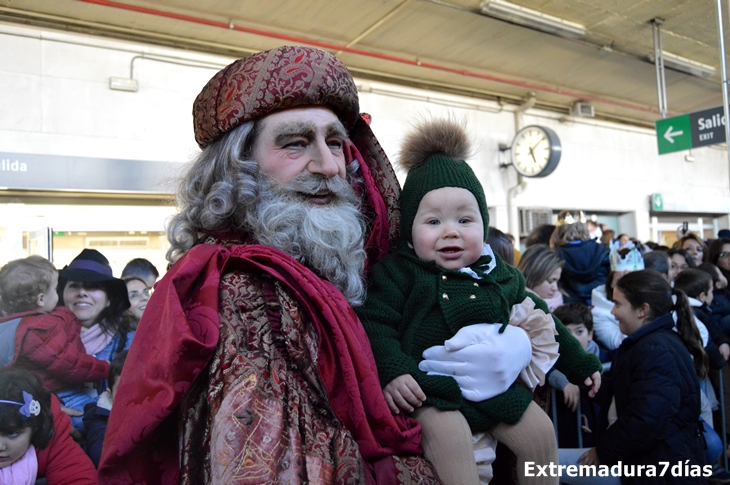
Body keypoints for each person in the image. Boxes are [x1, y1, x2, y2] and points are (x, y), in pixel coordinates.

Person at [97, 45, 492, 484]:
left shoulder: (321, 271)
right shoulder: (253, 294)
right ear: (238, 165)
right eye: (295, 143)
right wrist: (441, 467)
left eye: (335, 143)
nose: (327, 166)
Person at [358, 119, 602, 485]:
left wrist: (581, 363)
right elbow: (376, 323)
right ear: (410, 228)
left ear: (483, 224)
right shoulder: (399, 272)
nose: (451, 230)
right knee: (452, 440)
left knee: (540, 433)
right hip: (430, 391)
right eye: (433, 220)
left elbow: (542, 319)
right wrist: (395, 371)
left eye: (465, 219)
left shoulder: (499, 273)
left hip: (494, 393)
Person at [560, 270, 708, 484]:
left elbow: (645, 420)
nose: (613, 312)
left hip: (654, 469)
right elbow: (631, 395)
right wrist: (591, 384)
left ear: (642, 310)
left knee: (540, 466)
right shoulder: (650, 343)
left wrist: (602, 452)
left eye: (619, 304)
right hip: (649, 462)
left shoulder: (655, 350)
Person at [0, 256, 109, 394]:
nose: (82, 293)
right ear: (41, 299)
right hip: (57, 393)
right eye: (55, 289)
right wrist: (105, 368)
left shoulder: (8, 326)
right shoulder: (39, 329)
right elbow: (70, 364)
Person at [56, 249, 132, 430]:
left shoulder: (129, 340)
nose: (82, 292)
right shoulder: (44, 339)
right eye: (74, 285)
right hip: (58, 439)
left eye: (92, 286)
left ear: (108, 299)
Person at [0, 368, 97, 484]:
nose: (0, 446)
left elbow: (79, 479)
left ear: (35, 427)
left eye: (12, 433)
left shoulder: (51, 438)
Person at [549, 303, 609, 448]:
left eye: (579, 332)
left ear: (590, 334)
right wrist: (563, 382)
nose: (573, 338)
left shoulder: (606, 358)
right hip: (566, 438)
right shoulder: (550, 361)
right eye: (566, 333)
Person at [591, 242, 645, 351]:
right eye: (621, 281)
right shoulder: (598, 314)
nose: (628, 288)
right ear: (611, 282)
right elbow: (618, 343)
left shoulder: (653, 300)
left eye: (633, 281)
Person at [551, 213, 610, 306]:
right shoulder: (602, 250)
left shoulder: (553, 255)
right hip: (601, 306)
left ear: (558, 230)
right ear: (584, 228)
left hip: (570, 310)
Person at [83, 350, 127, 468]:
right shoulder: (97, 418)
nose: (132, 396)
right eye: (123, 390)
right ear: (109, 394)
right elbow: (102, 456)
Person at [517, 243, 565, 311]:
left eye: (557, 281)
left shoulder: (560, 305)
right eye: (551, 281)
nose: (555, 288)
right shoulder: (516, 309)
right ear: (533, 276)